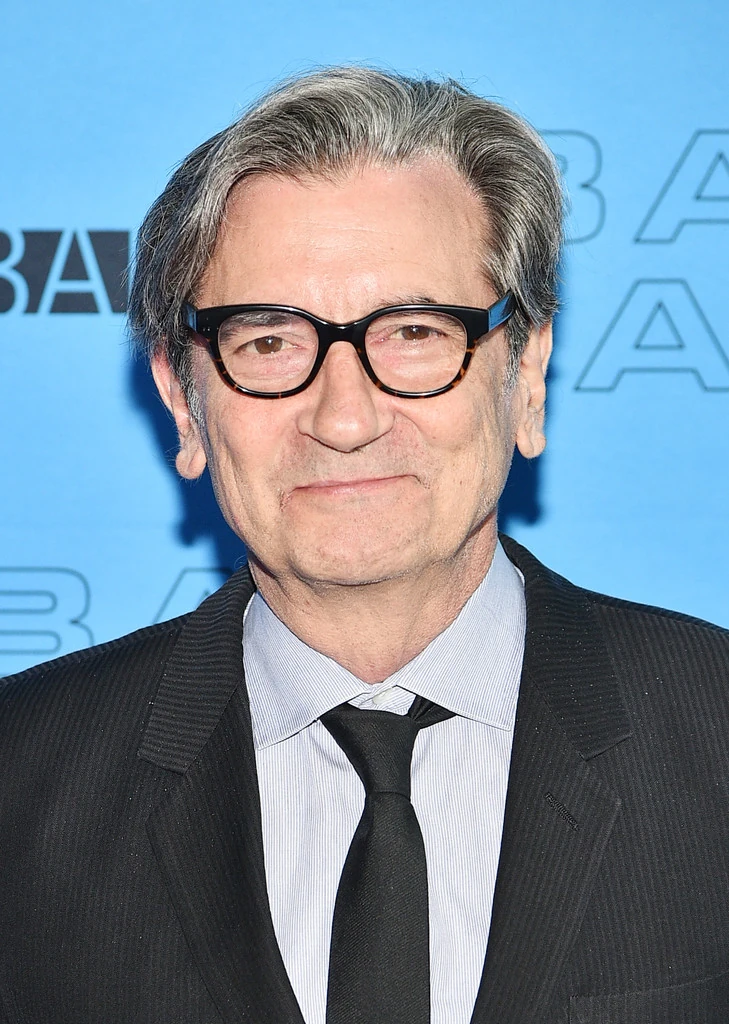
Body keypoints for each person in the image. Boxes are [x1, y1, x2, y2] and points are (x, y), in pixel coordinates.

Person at [1, 67, 728, 1024]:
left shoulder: (712, 731)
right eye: (267, 343)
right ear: (183, 403)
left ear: (526, 377)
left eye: (415, 333)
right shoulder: (19, 780)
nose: (344, 418)